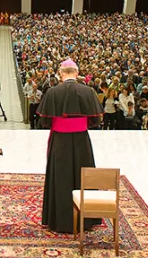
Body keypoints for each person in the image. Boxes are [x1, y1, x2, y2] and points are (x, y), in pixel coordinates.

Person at [37, 59, 104, 234]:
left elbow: (44, 121)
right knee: (84, 176)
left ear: (61, 73)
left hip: (60, 141)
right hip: (82, 141)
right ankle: (86, 220)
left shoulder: (52, 92)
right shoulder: (88, 91)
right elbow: (96, 120)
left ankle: (60, 221)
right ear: (77, 72)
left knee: (61, 177)